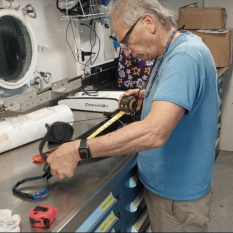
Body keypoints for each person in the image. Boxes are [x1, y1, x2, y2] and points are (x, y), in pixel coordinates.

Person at [47, 0, 220, 232]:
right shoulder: (171, 49)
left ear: (147, 22)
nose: (127, 53)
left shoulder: (185, 56)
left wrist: (79, 149)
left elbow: (154, 133)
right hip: (166, 188)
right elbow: (180, 93)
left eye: (126, 42)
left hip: (177, 198)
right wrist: (148, 95)